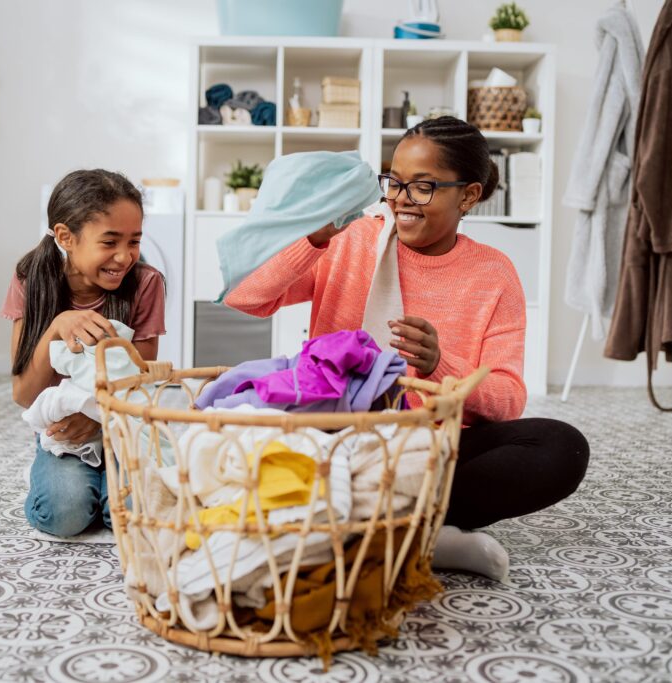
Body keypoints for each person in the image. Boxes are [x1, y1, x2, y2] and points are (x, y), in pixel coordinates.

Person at [225, 117, 589, 579]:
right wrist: (314, 240)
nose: (400, 200)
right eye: (394, 183)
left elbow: (507, 398)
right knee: (252, 432)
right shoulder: (351, 240)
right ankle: (418, 532)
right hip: (337, 432)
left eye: (423, 187)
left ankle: (366, 522)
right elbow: (245, 298)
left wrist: (440, 366)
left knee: (562, 447)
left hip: (432, 444)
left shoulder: (493, 274)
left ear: (469, 196)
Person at [2, 169, 165, 538]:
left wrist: (97, 418)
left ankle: (102, 484)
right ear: (65, 237)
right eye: (109, 242)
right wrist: (58, 325)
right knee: (63, 515)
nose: (124, 257)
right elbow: (24, 394)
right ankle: (69, 478)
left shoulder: (146, 283)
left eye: (134, 241)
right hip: (62, 432)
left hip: (125, 423)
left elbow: (139, 382)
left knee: (137, 517)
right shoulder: (31, 279)